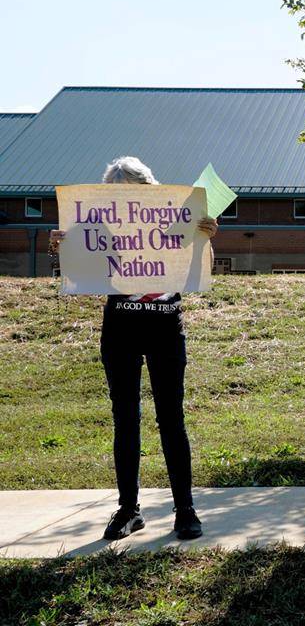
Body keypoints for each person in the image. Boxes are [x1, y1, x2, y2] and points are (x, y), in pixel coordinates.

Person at [49, 156, 216, 541]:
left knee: (171, 418)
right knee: (125, 418)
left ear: (150, 189)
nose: (126, 200)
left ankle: (185, 508)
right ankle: (128, 509)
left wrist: (206, 236)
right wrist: (62, 247)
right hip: (120, 328)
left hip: (165, 327)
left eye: (133, 192)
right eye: (117, 193)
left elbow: (199, 270)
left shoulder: (177, 218)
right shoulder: (95, 224)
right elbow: (79, 273)